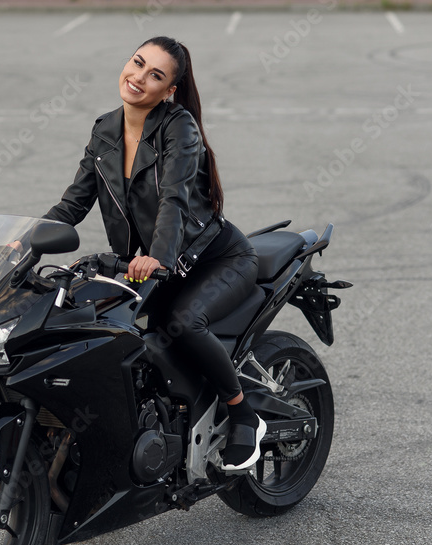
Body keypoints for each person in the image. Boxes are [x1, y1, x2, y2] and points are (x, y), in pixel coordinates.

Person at [42, 36, 266, 472]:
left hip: (215, 259)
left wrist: (158, 258)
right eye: (137, 63)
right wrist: (26, 242)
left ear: (169, 91)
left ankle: (243, 413)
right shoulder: (105, 130)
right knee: (98, 326)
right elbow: (73, 203)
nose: (139, 77)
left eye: (155, 75)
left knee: (183, 322)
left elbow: (173, 200)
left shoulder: (179, 127)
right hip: (156, 265)